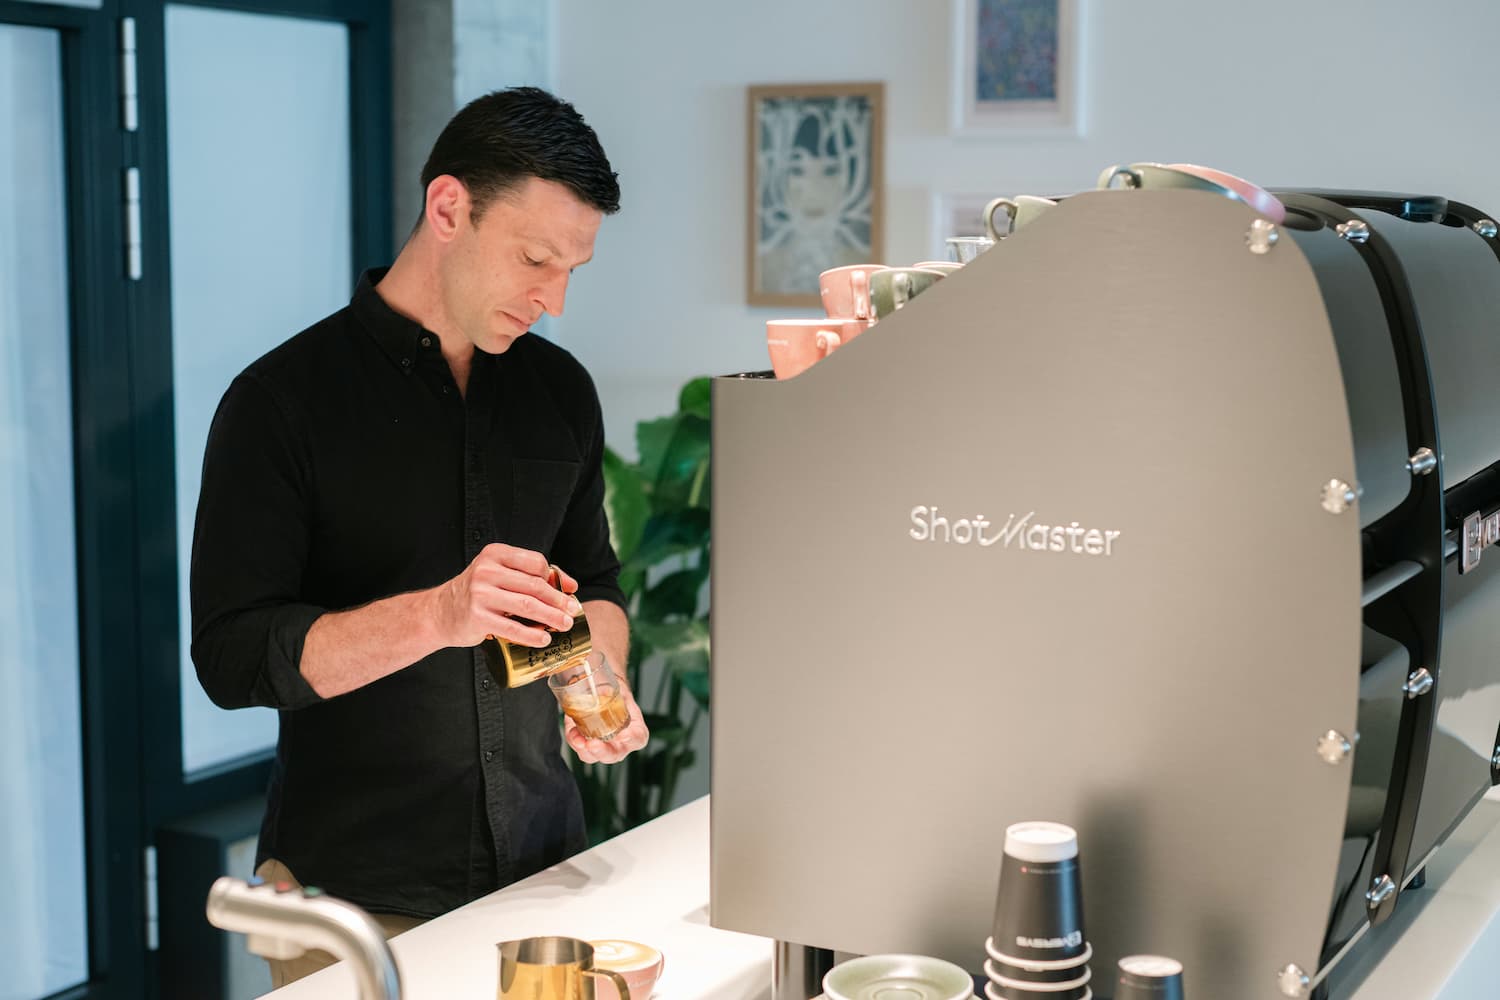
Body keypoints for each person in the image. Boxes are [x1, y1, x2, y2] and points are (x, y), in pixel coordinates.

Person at [189, 86, 649, 987]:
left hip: (546, 877)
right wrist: (440, 615)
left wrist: (603, 681)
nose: (553, 299)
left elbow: (595, 583)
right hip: (354, 905)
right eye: (534, 259)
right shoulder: (279, 404)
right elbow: (231, 657)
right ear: (448, 209)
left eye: (571, 270)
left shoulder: (561, 393)